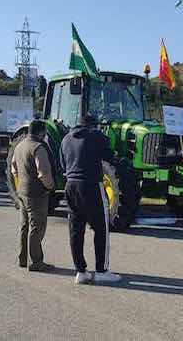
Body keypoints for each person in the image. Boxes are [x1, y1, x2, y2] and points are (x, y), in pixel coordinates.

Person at [60, 115, 121, 285]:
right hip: (92, 185)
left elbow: (62, 165)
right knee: (101, 228)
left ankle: (80, 271)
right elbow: (109, 155)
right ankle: (101, 270)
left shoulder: (65, 139)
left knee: (75, 230)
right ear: (92, 125)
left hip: (71, 185)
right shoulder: (95, 136)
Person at [10, 120, 55, 272]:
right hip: (36, 194)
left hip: (22, 191)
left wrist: (20, 182)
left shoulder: (19, 146)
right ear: (41, 132)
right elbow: (43, 173)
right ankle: (36, 261)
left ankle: (22, 258)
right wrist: (50, 186)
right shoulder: (38, 147)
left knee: (24, 226)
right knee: (37, 227)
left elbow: (13, 168)